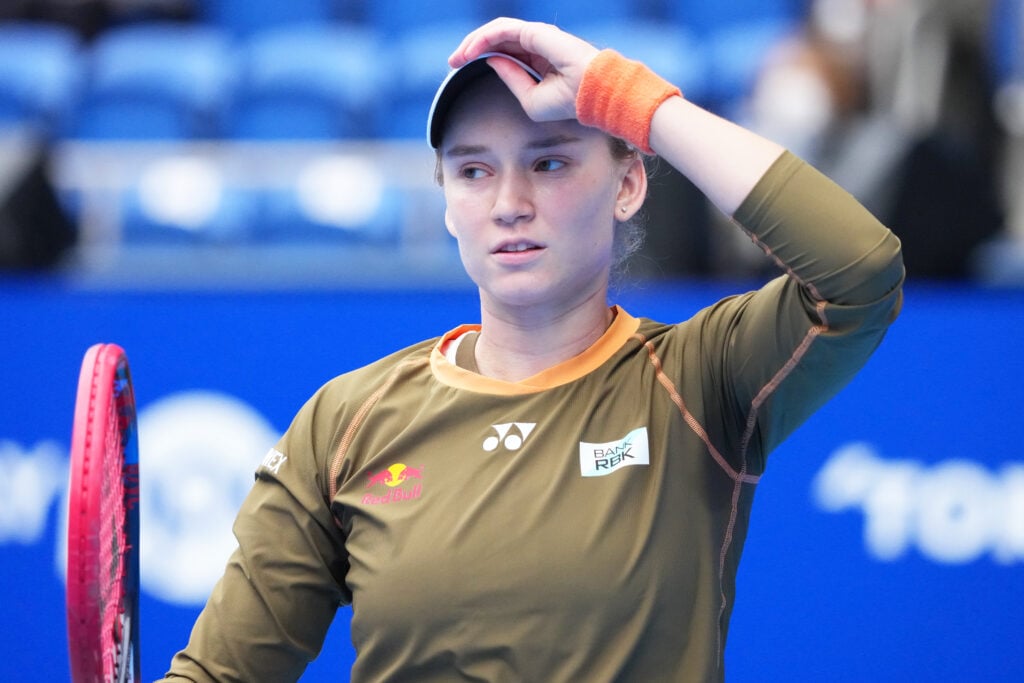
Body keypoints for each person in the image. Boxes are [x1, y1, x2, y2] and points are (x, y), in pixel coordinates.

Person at [159, 17, 904, 682]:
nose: (509, 202)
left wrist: (633, 100)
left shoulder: (697, 376)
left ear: (628, 182)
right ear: (448, 200)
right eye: (474, 170)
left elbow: (860, 272)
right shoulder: (344, 420)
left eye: (548, 163)